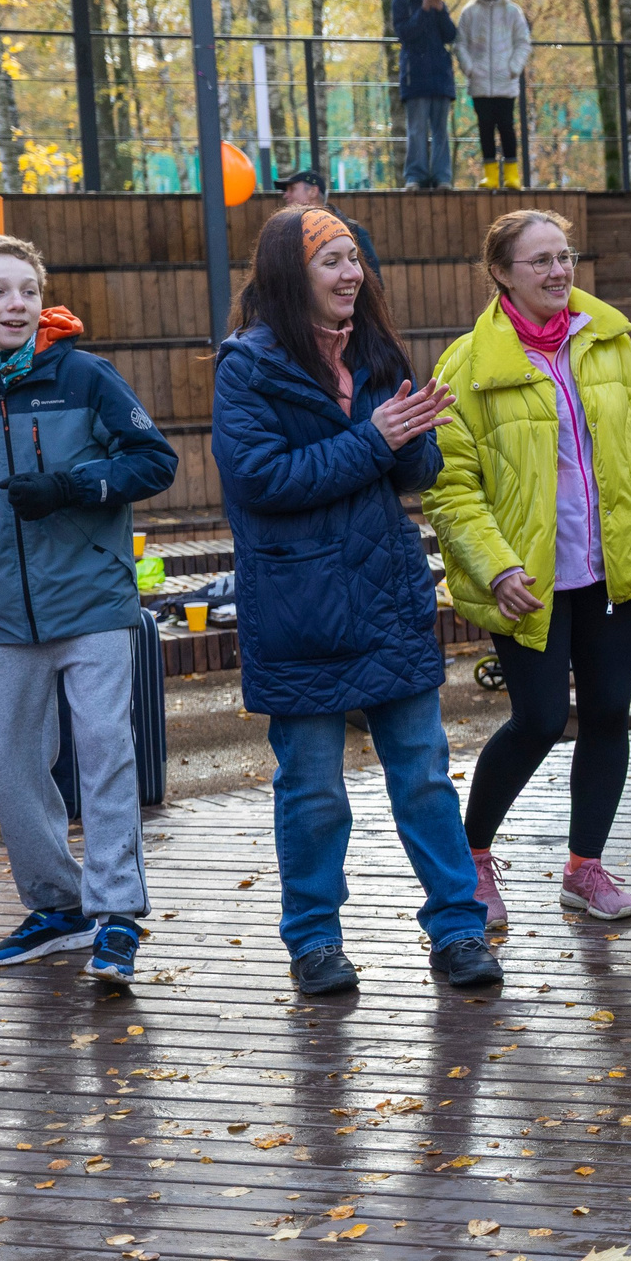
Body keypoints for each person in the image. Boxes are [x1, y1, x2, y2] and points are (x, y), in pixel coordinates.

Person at [211, 207, 502, 995]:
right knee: (312, 792)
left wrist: (416, 439)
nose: (350, 275)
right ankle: (313, 942)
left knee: (424, 776)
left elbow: (416, 474)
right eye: (332, 261)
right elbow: (262, 483)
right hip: (299, 611)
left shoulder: (375, 353)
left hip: (385, 597)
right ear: (288, 274)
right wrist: (376, 439)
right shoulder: (247, 367)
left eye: (354, 260)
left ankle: (458, 929)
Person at [429, 209, 631, 925]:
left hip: (612, 569)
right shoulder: (467, 366)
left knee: (610, 714)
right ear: (500, 274)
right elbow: (451, 486)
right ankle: (473, 860)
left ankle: (584, 869)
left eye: (565, 256)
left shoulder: (609, 345)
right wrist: (495, 568)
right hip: (529, 582)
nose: (559, 272)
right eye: (541, 261)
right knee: (541, 718)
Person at [0, 235, 176, 985]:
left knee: (108, 755)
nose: (16, 305)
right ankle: (57, 908)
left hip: (93, 600)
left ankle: (115, 917)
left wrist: (75, 486)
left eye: (27, 292)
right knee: (11, 769)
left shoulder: (85, 375)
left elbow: (155, 462)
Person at [456, 0, 532, 190]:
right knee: (485, 129)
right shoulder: (469, 13)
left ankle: (512, 175)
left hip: (505, 82)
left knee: (507, 128)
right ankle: (490, 175)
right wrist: (469, 68)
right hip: (479, 84)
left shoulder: (512, 12)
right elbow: (460, 45)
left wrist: (513, 68)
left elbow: (523, 43)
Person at [393, 0, 457, 190]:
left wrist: (440, 11)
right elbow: (406, 33)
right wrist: (423, 10)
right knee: (417, 129)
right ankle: (415, 176)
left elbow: (450, 35)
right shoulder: (400, 3)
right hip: (415, 76)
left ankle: (443, 177)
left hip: (440, 76)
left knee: (441, 130)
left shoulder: (439, 4)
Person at [280, 169, 382, 275]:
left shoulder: (354, 232)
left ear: (313, 191)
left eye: (292, 189)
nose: (286, 195)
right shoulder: (286, 235)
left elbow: (374, 282)